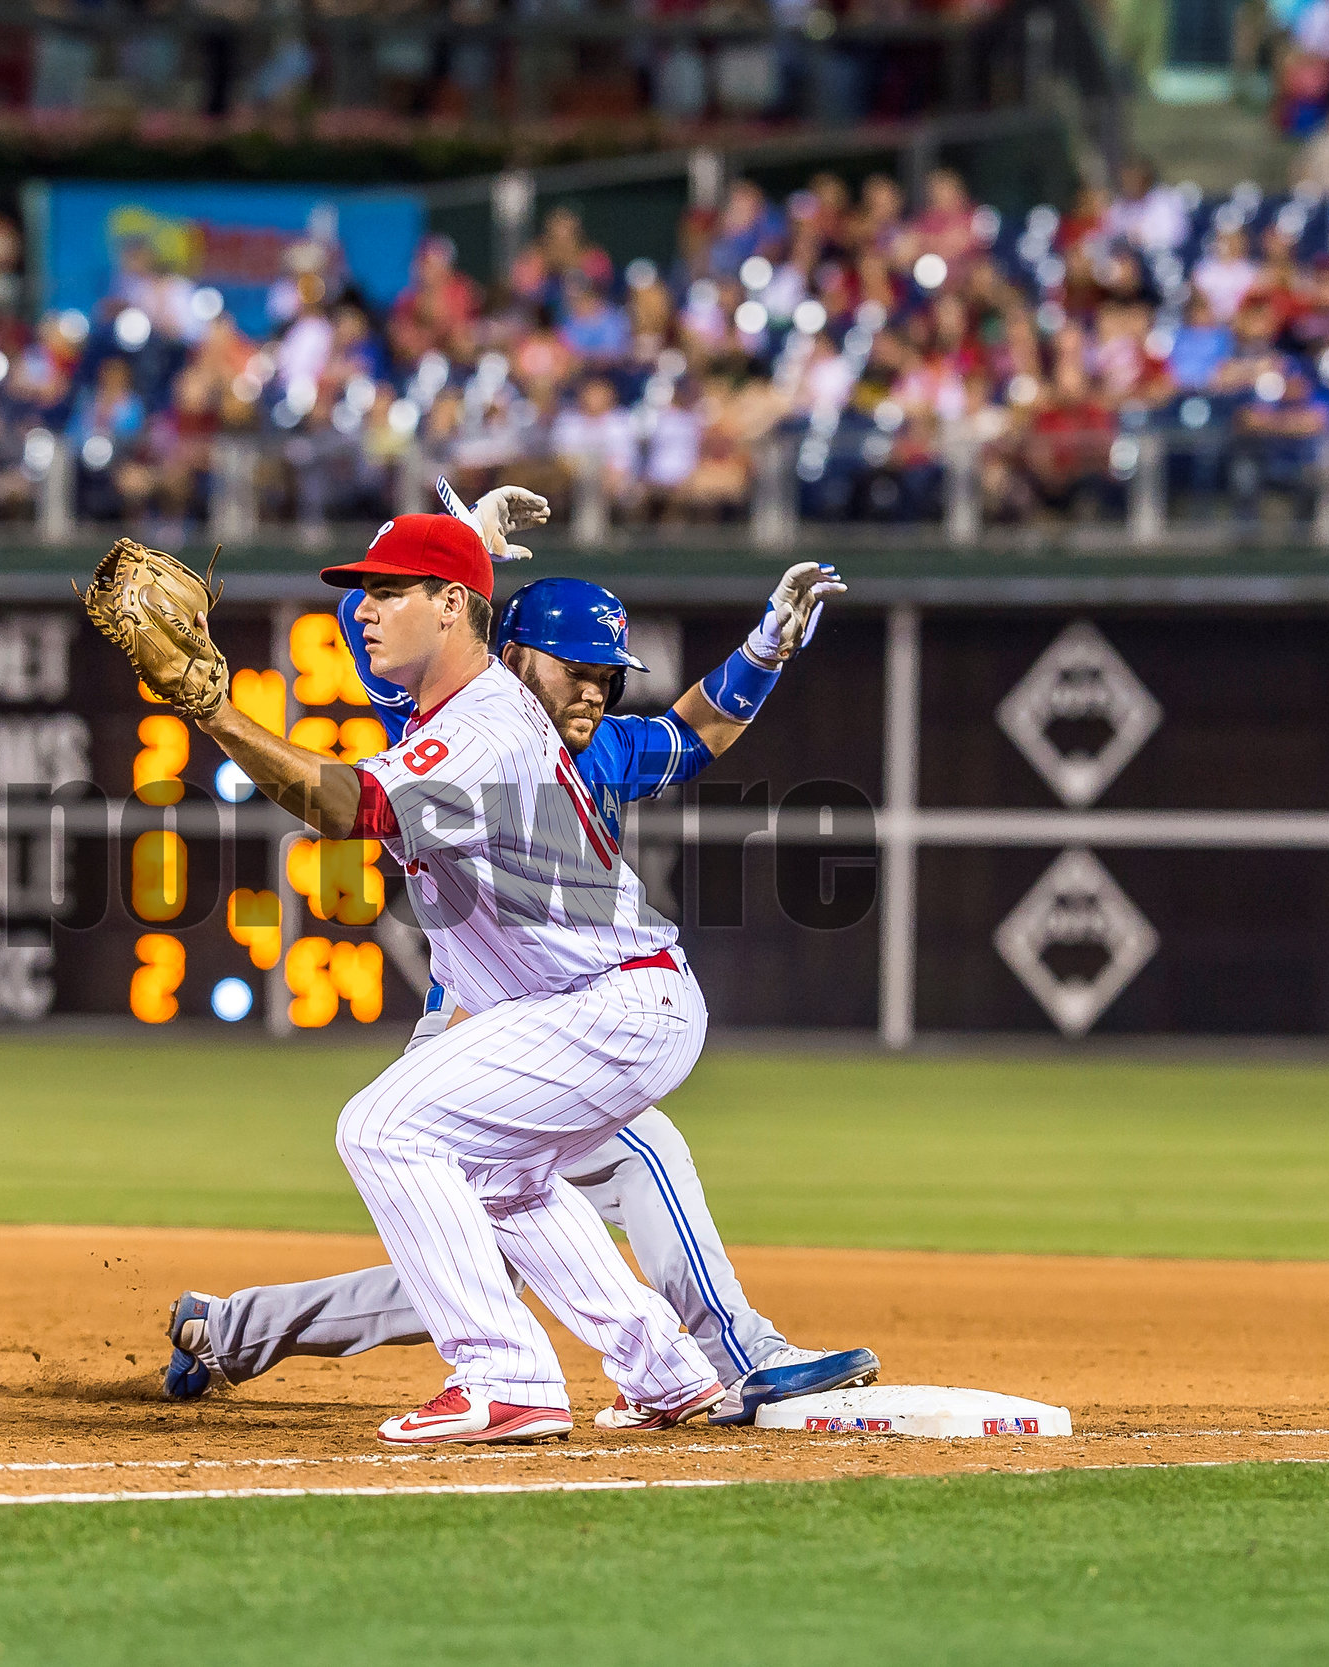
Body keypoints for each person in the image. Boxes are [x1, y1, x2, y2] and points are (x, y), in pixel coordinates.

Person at [165, 552, 876, 1429]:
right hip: (490, 1017)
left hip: (567, 1012)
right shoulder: (474, 719)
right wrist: (458, 560)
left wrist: (765, 651)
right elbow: (392, 661)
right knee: (511, 1205)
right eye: (576, 670)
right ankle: (709, 1358)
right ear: (512, 654)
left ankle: (664, 1362)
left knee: (490, 1209)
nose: (594, 693)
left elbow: (697, 731)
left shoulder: (597, 747)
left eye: (607, 678)